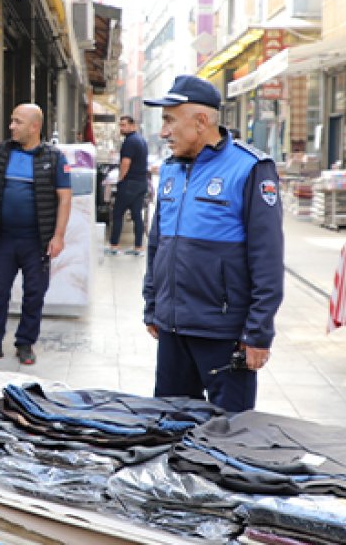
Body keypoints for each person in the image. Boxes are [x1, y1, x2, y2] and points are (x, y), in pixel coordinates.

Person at [141, 75, 283, 413]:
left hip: (223, 334)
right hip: (173, 329)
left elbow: (267, 257)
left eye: (169, 120)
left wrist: (258, 332)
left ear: (201, 121)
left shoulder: (250, 169)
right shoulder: (172, 169)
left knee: (228, 436)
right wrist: (152, 304)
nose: (164, 132)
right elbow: (157, 243)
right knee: (170, 426)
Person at [0, 103, 71, 366]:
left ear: (35, 127)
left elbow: (65, 199)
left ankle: (25, 343)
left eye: (17, 122)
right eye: (12, 120)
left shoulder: (55, 158)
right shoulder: (3, 151)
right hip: (5, 238)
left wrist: (58, 236)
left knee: (34, 293)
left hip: (37, 241)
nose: (11, 126)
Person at [107, 115, 149, 256]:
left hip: (129, 184)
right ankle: (138, 247)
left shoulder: (129, 142)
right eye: (120, 125)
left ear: (132, 125)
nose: (121, 128)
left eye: (124, 125)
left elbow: (125, 163)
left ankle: (114, 246)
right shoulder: (141, 140)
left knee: (118, 214)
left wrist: (120, 179)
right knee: (137, 215)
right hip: (141, 183)